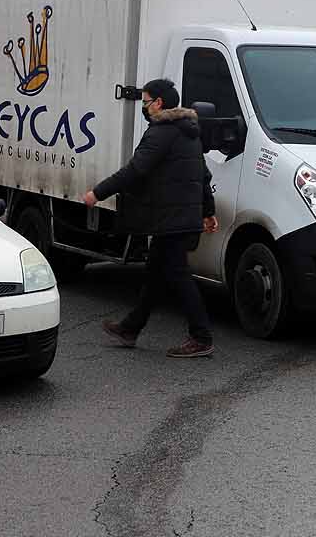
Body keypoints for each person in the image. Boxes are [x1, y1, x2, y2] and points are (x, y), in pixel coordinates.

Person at [87, 78, 218, 358]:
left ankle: (201, 337)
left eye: (145, 102)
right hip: (179, 216)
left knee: (179, 276)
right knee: (156, 274)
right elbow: (202, 176)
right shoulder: (190, 132)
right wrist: (207, 211)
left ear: (158, 103)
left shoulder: (161, 132)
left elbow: (135, 170)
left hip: (171, 217)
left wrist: (98, 192)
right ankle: (130, 328)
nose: (144, 107)